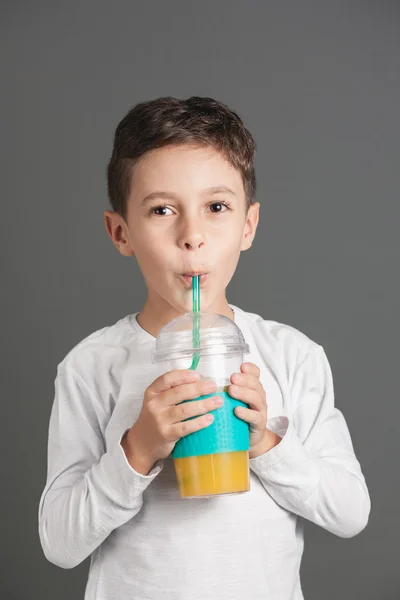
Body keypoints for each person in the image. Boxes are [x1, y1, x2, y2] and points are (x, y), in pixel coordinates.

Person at [38, 96, 370, 600]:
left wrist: (265, 445)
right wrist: (138, 449)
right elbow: (59, 544)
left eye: (216, 207)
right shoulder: (91, 366)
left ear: (248, 225)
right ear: (120, 232)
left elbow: (351, 513)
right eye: (162, 210)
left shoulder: (293, 356)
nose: (191, 236)